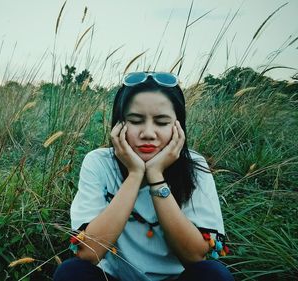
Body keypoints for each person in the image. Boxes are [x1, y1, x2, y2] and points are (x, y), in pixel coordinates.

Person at [53, 72, 233, 281]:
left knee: (214, 275)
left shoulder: (194, 166)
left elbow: (195, 257)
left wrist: (156, 176)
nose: (148, 133)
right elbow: (88, 252)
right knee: (71, 273)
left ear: (178, 127)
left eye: (162, 122)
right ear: (119, 125)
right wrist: (135, 174)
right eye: (136, 120)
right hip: (115, 278)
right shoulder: (99, 163)